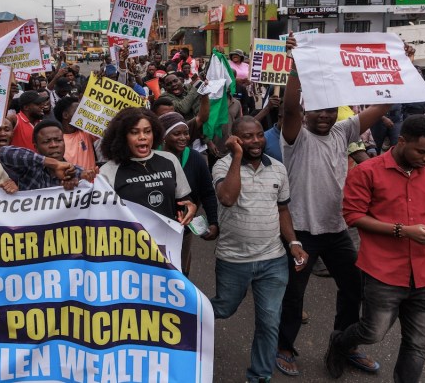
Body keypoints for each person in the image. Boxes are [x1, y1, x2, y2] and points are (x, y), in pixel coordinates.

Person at [275, 33, 388, 377]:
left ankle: (346, 345)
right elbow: (290, 107)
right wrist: (295, 64)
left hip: (338, 230)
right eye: (316, 111)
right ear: (307, 113)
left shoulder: (343, 131)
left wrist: (397, 68)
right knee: (294, 295)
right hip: (302, 233)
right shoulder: (295, 135)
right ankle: (284, 346)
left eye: (328, 110)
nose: (323, 116)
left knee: (353, 289)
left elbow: (382, 106)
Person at [325, 115, 425, 381]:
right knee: (373, 332)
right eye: (421, 151)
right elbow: (353, 216)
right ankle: (339, 343)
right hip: (383, 273)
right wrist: (403, 231)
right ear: (402, 141)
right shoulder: (367, 172)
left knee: (418, 344)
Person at [212, 116, 308, 383]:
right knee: (223, 309)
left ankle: (259, 377)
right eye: (246, 137)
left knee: (269, 323)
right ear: (234, 139)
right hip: (233, 260)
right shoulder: (222, 165)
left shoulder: (278, 168)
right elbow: (227, 198)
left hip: (273, 260)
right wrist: (237, 156)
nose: (255, 141)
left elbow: (283, 209)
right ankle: (177, 323)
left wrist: (293, 243)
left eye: (258, 135)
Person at [99, 107, 196, 224]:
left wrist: (190, 207)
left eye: (147, 131)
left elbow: (182, 199)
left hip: (168, 239)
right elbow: (102, 214)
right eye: (134, 132)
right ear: (122, 136)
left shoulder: (170, 160)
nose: (142, 137)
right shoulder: (107, 171)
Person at [160, 111, 219, 275]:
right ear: (164, 136)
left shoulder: (195, 159)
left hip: (182, 230)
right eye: (176, 133)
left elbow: (207, 192)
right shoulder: (151, 157)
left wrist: (213, 222)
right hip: (155, 230)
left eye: (186, 133)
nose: (183, 138)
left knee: (180, 275)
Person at [0, 121, 92, 191]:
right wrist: (54, 164)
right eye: (46, 141)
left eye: (58, 140)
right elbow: (4, 153)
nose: (54, 145)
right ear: (36, 147)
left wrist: (79, 182)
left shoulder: (74, 171)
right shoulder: (29, 168)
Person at [54, 97, 97, 170]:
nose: (82, 113)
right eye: (78, 110)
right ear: (65, 115)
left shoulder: (86, 132)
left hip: (93, 181)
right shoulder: (57, 141)